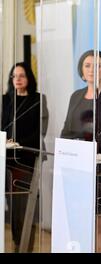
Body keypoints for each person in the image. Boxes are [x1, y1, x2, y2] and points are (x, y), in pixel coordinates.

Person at [61, 50, 101, 253]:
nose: (92, 69)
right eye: (87, 65)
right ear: (81, 70)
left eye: (97, 65)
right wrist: (69, 152)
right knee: (80, 219)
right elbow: (66, 130)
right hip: (76, 167)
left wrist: (87, 150)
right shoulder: (76, 96)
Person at [2, 62, 49, 252]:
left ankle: (26, 247)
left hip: (28, 160)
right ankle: (15, 245)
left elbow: (41, 130)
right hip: (6, 160)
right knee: (12, 207)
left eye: (21, 75)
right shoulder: (5, 100)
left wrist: (18, 143)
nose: (18, 79)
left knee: (25, 206)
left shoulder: (38, 99)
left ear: (29, 78)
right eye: (14, 76)